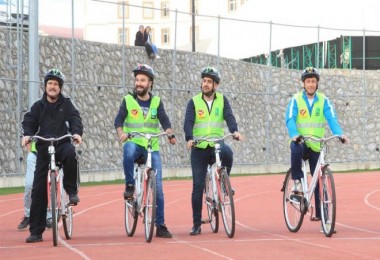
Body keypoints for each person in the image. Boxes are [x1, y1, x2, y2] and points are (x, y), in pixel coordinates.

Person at [114, 64, 176, 238]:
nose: (138, 83)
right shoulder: (128, 100)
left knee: (159, 188)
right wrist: (121, 133)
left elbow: (164, 119)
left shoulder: (156, 102)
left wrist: (170, 133)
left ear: (150, 83)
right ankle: (130, 185)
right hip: (134, 143)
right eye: (137, 80)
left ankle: (161, 225)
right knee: (127, 150)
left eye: (142, 80)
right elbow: (118, 120)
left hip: (152, 147)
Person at [21, 68, 83, 243]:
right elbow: (29, 121)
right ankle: (36, 231)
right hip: (43, 148)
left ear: (60, 87)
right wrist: (27, 135)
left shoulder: (67, 104)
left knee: (71, 153)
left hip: (62, 144)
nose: (52, 87)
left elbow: (75, 119)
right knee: (38, 188)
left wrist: (77, 133)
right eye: (50, 83)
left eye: (56, 84)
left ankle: (71, 191)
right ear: (45, 86)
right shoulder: (38, 106)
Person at [183, 66, 242, 236]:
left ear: (216, 85)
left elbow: (229, 117)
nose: (206, 84)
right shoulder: (194, 101)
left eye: (209, 81)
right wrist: (189, 138)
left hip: (217, 143)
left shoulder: (222, 100)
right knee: (197, 186)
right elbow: (188, 122)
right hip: (199, 147)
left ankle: (224, 183)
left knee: (228, 153)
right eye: (204, 81)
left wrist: (234, 130)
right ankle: (196, 224)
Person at [285, 67, 348, 223]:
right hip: (301, 141)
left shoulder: (324, 100)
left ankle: (324, 216)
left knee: (320, 179)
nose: (311, 84)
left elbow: (332, 119)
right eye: (308, 81)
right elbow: (290, 119)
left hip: (317, 145)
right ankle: (297, 182)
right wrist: (295, 135)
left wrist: (340, 134)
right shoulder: (296, 100)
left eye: (313, 81)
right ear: (304, 84)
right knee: (295, 148)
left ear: (317, 83)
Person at [17, 141, 52, 230]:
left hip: (51, 154)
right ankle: (28, 215)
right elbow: (27, 137)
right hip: (35, 154)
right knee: (29, 186)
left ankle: (49, 216)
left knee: (50, 186)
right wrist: (29, 152)